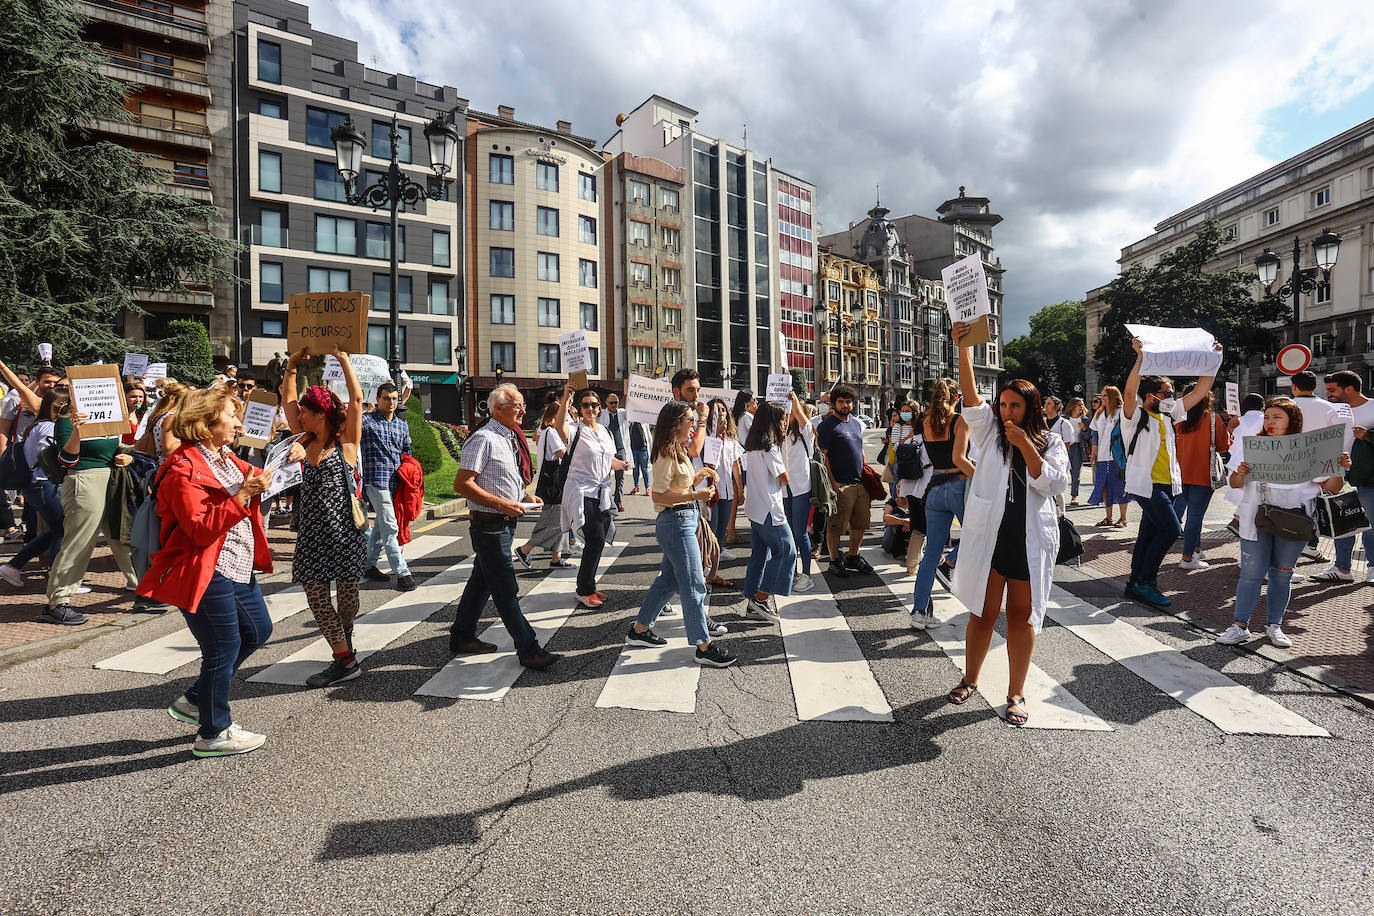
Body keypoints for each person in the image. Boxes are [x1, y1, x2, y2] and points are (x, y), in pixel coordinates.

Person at [138, 386, 275, 757]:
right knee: (223, 647)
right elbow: (199, 529)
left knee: (257, 631)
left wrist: (286, 456)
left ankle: (198, 699)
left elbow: (259, 477)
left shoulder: (224, 457)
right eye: (231, 416)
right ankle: (214, 732)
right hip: (205, 567)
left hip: (236, 562)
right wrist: (242, 496)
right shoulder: (181, 469)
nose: (239, 423)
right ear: (205, 422)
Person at [945, 321, 1069, 727]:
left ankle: (1016, 692)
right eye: (1002, 405)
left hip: (1028, 541)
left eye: (1014, 406)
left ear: (1031, 408)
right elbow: (970, 399)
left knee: (1021, 616)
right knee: (982, 613)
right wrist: (963, 348)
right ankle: (970, 678)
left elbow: (1053, 483)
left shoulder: (1051, 441)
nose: (1006, 412)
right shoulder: (990, 434)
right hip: (992, 538)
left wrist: (1026, 446)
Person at [1217, 397, 1349, 648]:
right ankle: (1239, 626)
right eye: (1267, 416)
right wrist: (1241, 474)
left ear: (1293, 420)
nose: (1270, 422)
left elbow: (1332, 488)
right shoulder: (1253, 446)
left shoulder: (1311, 449)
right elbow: (1234, 483)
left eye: (1277, 417)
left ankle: (1274, 625)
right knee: (1251, 574)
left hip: (1295, 522)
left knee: (1282, 575)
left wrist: (1339, 469)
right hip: (1256, 519)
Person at [450, 384, 559, 670]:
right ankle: (529, 649)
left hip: (503, 522)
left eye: (523, 405)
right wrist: (501, 504)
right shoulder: (483, 438)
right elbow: (462, 484)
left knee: (481, 582)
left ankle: (461, 635)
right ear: (498, 409)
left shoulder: (508, 436)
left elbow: (502, 477)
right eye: (517, 406)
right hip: (489, 525)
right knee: (505, 588)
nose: (523, 411)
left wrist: (524, 496)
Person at [280, 347, 369, 688]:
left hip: (345, 534)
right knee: (317, 599)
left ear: (320, 415)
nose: (298, 416)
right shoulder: (302, 440)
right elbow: (288, 401)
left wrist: (343, 359)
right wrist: (291, 366)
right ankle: (345, 660)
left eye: (305, 412)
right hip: (312, 536)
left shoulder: (346, 444)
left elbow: (356, 401)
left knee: (348, 602)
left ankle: (344, 638)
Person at [624, 400, 735, 667]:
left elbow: (677, 486)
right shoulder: (666, 453)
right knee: (694, 584)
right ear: (677, 424)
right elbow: (659, 495)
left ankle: (639, 630)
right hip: (676, 523)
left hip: (681, 520)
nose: (694, 425)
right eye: (690, 420)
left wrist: (698, 478)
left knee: (668, 581)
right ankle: (703, 646)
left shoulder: (678, 450)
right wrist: (695, 494)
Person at [1120, 336, 1220, 608]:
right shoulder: (1135, 416)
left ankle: (1134, 583)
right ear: (1150, 396)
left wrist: (1213, 360)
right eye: (1166, 393)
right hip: (1147, 484)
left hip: (1169, 485)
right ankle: (1146, 582)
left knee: (1148, 535)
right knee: (1170, 530)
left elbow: (1199, 392)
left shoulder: (1169, 414)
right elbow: (1129, 393)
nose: (1171, 397)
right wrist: (1140, 358)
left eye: (1172, 392)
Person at [42, 392, 140, 626]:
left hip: (111, 478)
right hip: (84, 479)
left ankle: (145, 589)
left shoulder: (108, 418)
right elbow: (66, 459)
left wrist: (127, 456)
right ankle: (58, 602)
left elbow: (115, 448)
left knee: (121, 536)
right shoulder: (66, 422)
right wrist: (77, 430)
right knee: (80, 541)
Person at [554, 382, 629, 609]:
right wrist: (566, 397)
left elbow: (608, 459)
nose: (590, 408)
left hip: (601, 491)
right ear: (579, 408)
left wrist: (621, 465)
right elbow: (559, 425)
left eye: (594, 405)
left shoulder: (605, 431)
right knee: (594, 538)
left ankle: (589, 585)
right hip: (581, 491)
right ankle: (584, 590)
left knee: (597, 541)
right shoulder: (574, 429)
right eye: (585, 405)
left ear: (599, 408)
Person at [910, 379, 976, 626]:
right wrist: (981, 476)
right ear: (956, 396)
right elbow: (959, 459)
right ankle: (950, 563)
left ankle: (919, 612)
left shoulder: (925, 422)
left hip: (935, 488)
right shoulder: (959, 420)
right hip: (958, 486)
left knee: (930, 554)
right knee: (978, 535)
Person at [1289, 369, 1356, 572]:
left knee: (1289, 517)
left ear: (1294, 387)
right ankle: (1322, 554)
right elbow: (1342, 439)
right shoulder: (1331, 408)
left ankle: (1285, 565)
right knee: (1313, 515)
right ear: (1316, 387)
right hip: (1321, 472)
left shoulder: (1286, 406)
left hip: (1289, 469)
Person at [0, 391, 64, 588]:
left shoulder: (38, 425)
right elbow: (50, 457)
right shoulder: (49, 427)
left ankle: (13, 566)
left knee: (58, 529)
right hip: (44, 484)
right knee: (63, 531)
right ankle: (58, 581)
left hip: (37, 485)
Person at [741, 401, 797, 623]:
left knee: (759, 555)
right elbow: (784, 478)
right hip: (769, 509)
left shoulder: (753, 445)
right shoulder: (770, 447)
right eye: (781, 419)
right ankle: (761, 598)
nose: (784, 423)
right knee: (786, 551)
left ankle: (752, 599)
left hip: (755, 508)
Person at [360, 381, 415, 591]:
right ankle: (402, 573)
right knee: (391, 525)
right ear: (377, 399)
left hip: (396, 482)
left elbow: (407, 453)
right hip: (375, 481)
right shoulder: (366, 421)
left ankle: (369, 564)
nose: (391, 402)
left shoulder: (402, 425)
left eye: (394, 399)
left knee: (380, 526)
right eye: (386, 398)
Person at [817, 384, 874, 579]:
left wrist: (866, 474)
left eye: (848, 402)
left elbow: (860, 450)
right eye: (841, 401)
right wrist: (833, 483)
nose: (845, 405)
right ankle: (834, 561)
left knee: (860, 524)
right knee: (835, 526)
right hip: (840, 484)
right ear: (833, 404)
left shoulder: (856, 424)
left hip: (860, 484)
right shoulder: (826, 426)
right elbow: (823, 457)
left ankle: (853, 556)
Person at [1172, 385, 1230, 569]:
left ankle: (1195, 549)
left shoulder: (1178, 419)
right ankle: (1187, 558)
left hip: (1181, 472)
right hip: (1204, 473)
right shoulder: (1212, 419)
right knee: (1195, 516)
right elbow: (1223, 446)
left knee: (1193, 515)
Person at [1324, 370, 1374, 584]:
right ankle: (1342, 568)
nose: (1328, 394)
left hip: (1368, 476)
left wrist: (1368, 435)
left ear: (1350, 389)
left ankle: (1373, 568)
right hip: (1339, 474)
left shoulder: (1373, 407)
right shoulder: (1331, 410)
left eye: (1332, 390)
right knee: (1342, 522)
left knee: (1371, 523)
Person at [517, 399, 574, 570]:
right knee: (556, 522)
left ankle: (556, 558)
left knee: (559, 520)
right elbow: (563, 455)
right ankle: (524, 549)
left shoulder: (547, 431)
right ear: (556, 416)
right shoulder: (552, 432)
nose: (566, 418)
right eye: (563, 414)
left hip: (551, 482)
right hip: (553, 484)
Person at [704, 398, 743, 582]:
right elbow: (708, 462)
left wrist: (740, 489)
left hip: (727, 491)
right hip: (712, 491)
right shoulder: (705, 436)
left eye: (723, 410)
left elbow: (735, 465)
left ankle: (714, 565)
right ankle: (706, 567)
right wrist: (716, 435)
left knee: (721, 530)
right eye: (716, 410)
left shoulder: (730, 438)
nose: (721, 413)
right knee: (711, 531)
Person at [783, 391, 817, 592]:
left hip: (801, 489)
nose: (787, 414)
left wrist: (793, 399)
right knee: (787, 532)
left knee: (800, 532)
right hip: (783, 490)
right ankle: (792, 571)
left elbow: (801, 417)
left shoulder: (806, 432)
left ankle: (807, 574)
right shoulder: (780, 433)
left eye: (791, 411)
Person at [1088, 386, 1129, 527]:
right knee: (1104, 485)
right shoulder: (1099, 414)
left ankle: (1123, 518)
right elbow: (1095, 436)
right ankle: (1108, 517)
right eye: (1102, 395)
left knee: (1120, 485)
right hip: (1103, 456)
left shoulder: (1121, 412)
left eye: (1105, 395)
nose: (1102, 398)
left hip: (1117, 455)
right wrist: (1093, 453)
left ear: (1113, 396)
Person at [727, 390, 757, 545]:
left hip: (735, 457)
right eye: (754, 400)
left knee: (735, 495)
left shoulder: (734, 416)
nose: (756, 402)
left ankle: (730, 531)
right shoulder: (747, 416)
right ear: (747, 403)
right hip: (746, 457)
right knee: (751, 493)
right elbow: (756, 435)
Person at [1044, 397, 1074, 515]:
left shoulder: (1064, 423)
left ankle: (1061, 515)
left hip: (1058, 461)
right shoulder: (1042, 421)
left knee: (1057, 489)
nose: (1046, 405)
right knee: (1045, 488)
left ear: (1057, 407)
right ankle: (1049, 514)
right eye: (1046, 403)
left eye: (1049, 403)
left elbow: (1067, 445)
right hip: (1044, 460)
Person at [600, 393, 628, 512]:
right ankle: (604, 501)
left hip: (620, 448)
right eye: (611, 403)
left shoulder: (623, 413)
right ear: (606, 403)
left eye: (616, 402)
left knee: (620, 476)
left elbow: (636, 412)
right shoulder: (601, 413)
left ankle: (618, 500)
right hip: (606, 450)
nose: (614, 405)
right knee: (604, 476)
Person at [1065, 397, 1092, 506]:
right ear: (1073, 406)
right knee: (1061, 473)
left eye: (1082, 405)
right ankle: (1057, 496)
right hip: (1064, 448)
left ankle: (1074, 497)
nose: (1081, 407)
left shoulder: (1085, 420)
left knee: (1076, 474)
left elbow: (1088, 437)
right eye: (1079, 405)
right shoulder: (1064, 419)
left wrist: (1084, 429)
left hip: (1077, 448)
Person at [627, 412, 651, 496]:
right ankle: (636, 487)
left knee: (644, 469)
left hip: (643, 449)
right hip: (633, 449)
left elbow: (647, 435)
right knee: (635, 469)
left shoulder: (644, 423)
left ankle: (647, 488)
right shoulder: (631, 423)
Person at [121, 381, 147, 445]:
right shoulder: (118, 416)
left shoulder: (144, 416)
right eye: (133, 397)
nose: (138, 400)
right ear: (124, 397)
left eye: (140, 397)